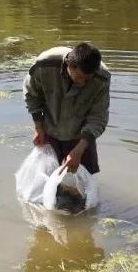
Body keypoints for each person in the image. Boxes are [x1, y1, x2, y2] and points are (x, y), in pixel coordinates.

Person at [23, 42, 110, 191]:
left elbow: (98, 117)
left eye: (87, 79)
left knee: (82, 184)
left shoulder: (101, 78)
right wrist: (38, 127)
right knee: (49, 177)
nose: (83, 83)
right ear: (69, 65)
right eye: (80, 77)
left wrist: (80, 148)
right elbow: (31, 95)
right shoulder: (45, 65)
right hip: (50, 129)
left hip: (80, 135)